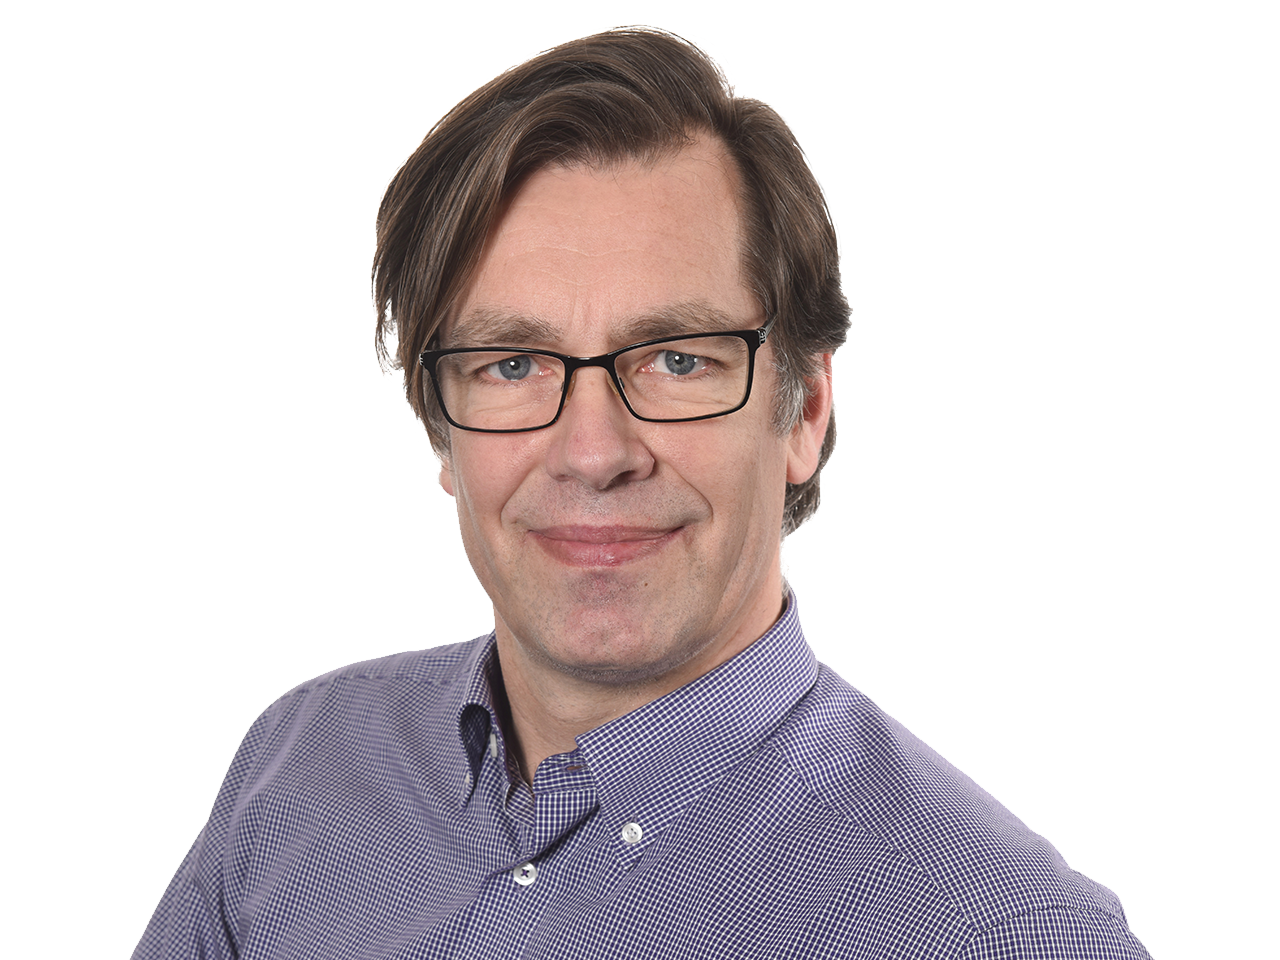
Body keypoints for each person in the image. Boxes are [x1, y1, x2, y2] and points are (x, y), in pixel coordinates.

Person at [134, 27, 1151, 959]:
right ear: (442, 428)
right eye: (510, 364)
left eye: (676, 360)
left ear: (802, 410)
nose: (592, 452)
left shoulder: (1000, 936)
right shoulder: (301, 770)